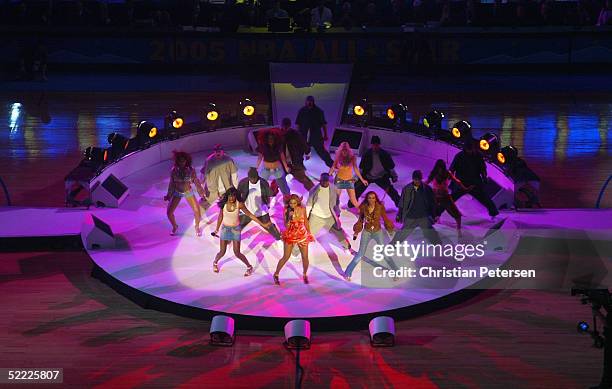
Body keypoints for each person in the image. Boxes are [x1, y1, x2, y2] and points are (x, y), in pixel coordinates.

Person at [212, 188, 272, 276]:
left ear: (236, 196)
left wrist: (263, 224)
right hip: (225, 229)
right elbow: (220, 217)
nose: (231, 198)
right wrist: (217, 229)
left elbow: (251, 215)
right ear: (227, 196)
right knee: (222, 251)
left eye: (233, 196)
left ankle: (249, 266)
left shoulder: (239, 205)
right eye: (230, 196)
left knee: (237, 253)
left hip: (235, 230)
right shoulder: (224, 204)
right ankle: (215, 262)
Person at [343, 191, 395, 281]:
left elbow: (386, 219)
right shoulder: (363, 207)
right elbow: (360, 220)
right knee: (360, 254)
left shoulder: (380, 207)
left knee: (383, 253)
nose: (371, 199)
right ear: (367, 199)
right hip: (366, 232)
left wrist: (390, 230)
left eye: (373, 198)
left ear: (376, 199)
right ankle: (347, 273)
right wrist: (356, 231)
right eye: (369, 198)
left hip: (377, 232)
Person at [449, 141, 499, 218]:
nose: (470, 151)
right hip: (461, 182)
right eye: (469, 149)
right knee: (451, 198)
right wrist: (450, 177)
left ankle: (494, 213)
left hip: (474, 182)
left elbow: (483, 168)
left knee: (484, 198)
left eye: (471, 149)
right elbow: (452, 168)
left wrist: (484, 177)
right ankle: (437, 213)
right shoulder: (459, 156)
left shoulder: (478, 155)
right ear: (465, 149)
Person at [273, 194, 315, 285]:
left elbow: (306, 222)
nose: (292, 205)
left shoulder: (302, 209)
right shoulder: (286, 210)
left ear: (298, 203)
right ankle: (276, 274)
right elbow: (286, 225)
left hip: (301, 234)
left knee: (305, 257)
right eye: (291, 203)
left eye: (294, 203)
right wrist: (289, 216)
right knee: (286, 257)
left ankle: (304, 274)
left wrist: (309, 233)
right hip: (290, 234)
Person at [306, 173, 353, 251]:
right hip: (316, 216)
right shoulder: (314, 190)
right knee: (307, 233)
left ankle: (347, 247)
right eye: (323, 181)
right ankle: (295, 252)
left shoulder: (333, 189)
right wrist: (306, 218)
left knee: (339, 233)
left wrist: (337, 215)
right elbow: (309, 205)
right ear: (320, 181)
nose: (324, 183)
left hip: (330, 216)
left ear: (328, 181)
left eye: (326, 181)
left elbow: (336, 203)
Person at [351, 136, 401, 209]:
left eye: (377, 144)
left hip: (381, 177)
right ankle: (352, 202)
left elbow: (391, 167)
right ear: (371, 145)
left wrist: (394, 176)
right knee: (358, 188)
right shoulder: (367, 154)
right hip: (368, 176)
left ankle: (400, 205)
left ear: (379, 145)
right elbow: (361, 169)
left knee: (392, 191)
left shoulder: (384, 154)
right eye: (374, 144)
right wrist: (357, 178)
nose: (375, 146)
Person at [393, 170, 442, 244]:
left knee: (429, 232)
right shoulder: (407, 189)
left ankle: (438, 245)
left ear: (421, 179)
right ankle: (392, 246)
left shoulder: (427, 189)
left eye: (419, 179)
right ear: (413, 179)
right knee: (402, 233)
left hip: (423, 216)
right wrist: (399, 214)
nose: (417, 181)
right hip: (411, 216)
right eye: (415, 179)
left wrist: (435, 214)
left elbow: (433, 203)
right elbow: (402, 203)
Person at [164, 151, 206, 236]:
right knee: (169, 213)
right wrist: (168, 195)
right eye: (180, 161)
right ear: (177, 161)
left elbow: (196, 181)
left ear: (187, 161)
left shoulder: (190, 170)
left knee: (197, 211)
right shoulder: (174, 170)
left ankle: (197, 227)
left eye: (183, 161)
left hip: (188, 192)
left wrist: (201, 192)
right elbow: (171, 183)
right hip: (177, 193)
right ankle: (175, 226)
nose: (182, 162)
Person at [426, 159, 472, 237]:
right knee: (429, 213)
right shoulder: (434, 173)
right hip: (435, 197)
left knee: (457, 215)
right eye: (439, 168)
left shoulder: (447, 173)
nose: (440, 170)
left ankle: (458, 231)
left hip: (445, 197)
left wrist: (465, 188)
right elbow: (426, 182)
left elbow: (457, 181)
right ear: (437, 168)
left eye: (441, 168)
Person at [237, 167, 282, 240]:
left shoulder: (263, 183)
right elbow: (238, 195)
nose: (253, 180)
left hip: (261, 210)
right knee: (239, 226)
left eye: (254, 178)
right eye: (251, 178)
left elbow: (269, 194)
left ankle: (278, 237)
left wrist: (273, 193)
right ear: (248, 177)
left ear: (257, 176)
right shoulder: (243, 183)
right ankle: (230, 239)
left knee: (268, 226)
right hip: (247, 210)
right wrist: (239, 207)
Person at [295, 96, 334, 167]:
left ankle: (332, 166)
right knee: (300, 151)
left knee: (321, 151)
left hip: (315, 135)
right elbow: (298, 123)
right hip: (303, 134)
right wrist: (297, 135)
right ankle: (299, 167)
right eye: (308, 101)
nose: (309, 103)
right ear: (306, 101)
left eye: (311, 101)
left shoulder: (318, 111)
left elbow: (323, 124)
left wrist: (325, 135)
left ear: (313, 102)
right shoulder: (302, 111)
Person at [329, 141, 368, 209]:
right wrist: (327, 176)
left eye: (346, 150)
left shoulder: (352, 158)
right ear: (341, 150)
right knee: (336, 199)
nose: (344, 152)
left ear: (348, 150)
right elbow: (333, 167)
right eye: (343, 150)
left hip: (349, 180)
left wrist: (362, 179)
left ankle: (363, 213)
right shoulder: (338, 157)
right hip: (339, 180)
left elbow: (356, 169)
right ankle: (335, 213)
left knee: (353, 200)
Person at [200, 144, 238, 209]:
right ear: (214, 151)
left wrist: (236, 187)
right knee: (205, 204)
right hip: (212, 187)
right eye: (216, 151)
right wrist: (202, 187)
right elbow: (204, 175)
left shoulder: (228, 160)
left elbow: (234, 174)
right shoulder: (209, 161)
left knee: (228, 203)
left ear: (223, 151)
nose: (218, 152)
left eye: (219, 151)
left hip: (225, 187)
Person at [282, 117, 315, 191]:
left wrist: (307, 153)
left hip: (295, 162)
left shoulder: (295, 134)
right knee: (279, 179)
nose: (285, 128)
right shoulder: (280, 134)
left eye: (286, 126)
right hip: (284, 163)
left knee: (304, 179)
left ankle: (315, 193)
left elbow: (304, 145)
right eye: (284, 126)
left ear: (289, 125)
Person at [256, 128, 291, 196]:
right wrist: (256, 167)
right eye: (269, 138)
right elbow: (260, 157)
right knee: (262, 186)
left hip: (277, 169)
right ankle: (265, 201)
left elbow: (282, 157)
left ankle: (288, 200)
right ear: (266, 139)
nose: (270, 140)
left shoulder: (278, 146)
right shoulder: (263, 146)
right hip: (266, 169)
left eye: (272, 138)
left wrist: (286, 167)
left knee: (284, 187)